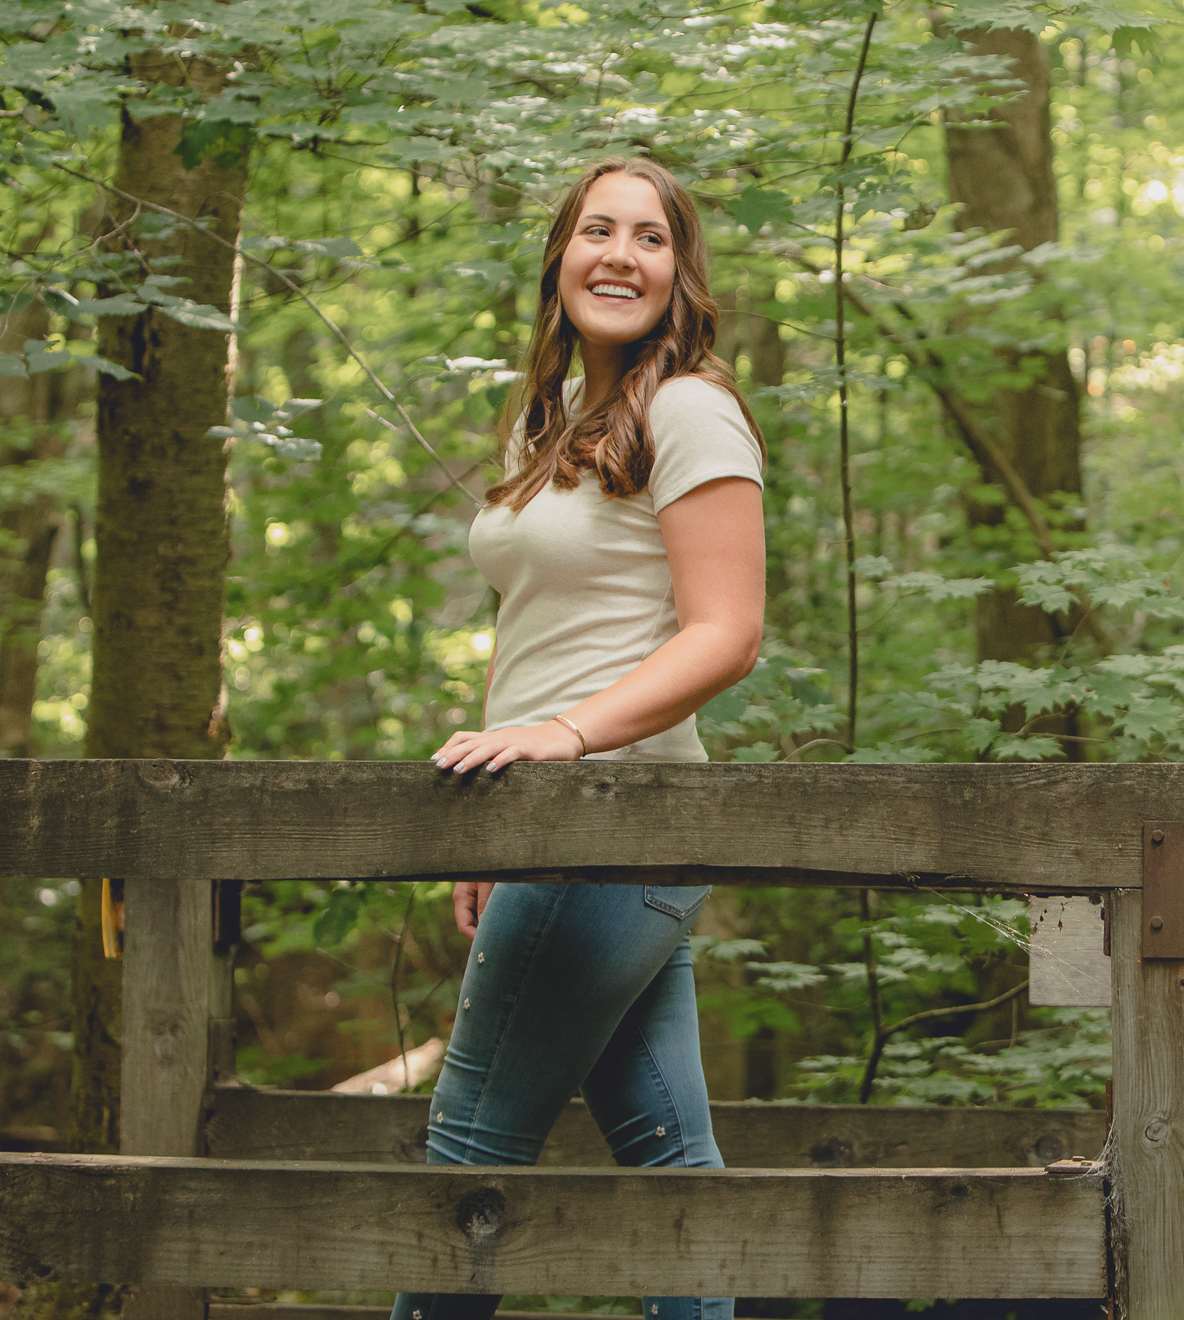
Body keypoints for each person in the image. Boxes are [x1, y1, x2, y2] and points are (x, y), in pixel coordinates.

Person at [393, 156, 766, 1320]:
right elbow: (548, 632)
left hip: (617, 825)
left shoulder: (689, 406)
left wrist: (561, 737)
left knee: (466, 1168)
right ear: (558, 258)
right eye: (596, 230)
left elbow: (727, 634)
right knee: (670, 1171)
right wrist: (498, 825)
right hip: (561, 834)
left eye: (649, 237)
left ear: (679, 271)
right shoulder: (551, 425)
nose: (620, 254)